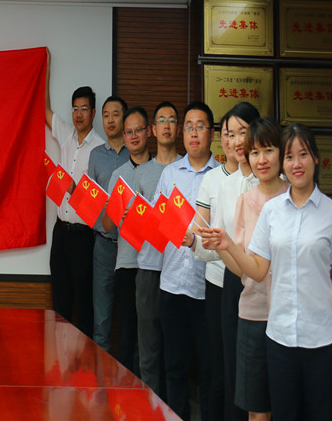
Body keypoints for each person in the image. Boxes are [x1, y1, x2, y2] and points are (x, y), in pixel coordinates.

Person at [201, 123, 332, 420]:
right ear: (284, 163)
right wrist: (227, 245)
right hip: (279, 338)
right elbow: (258, 270)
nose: (297, 163)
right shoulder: (272, 211)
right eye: (290, 157)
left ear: (316, 158)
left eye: (303, 155)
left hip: (321, 339)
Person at [205, 117, 287, 421]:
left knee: (287, 405)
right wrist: (223, 246)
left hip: (289, 314)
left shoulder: (295, 196)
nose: (261, 159)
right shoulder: (244, 201)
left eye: (268, 150)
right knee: (256, 408)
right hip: (253, 313)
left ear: (281, 152)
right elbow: (245, 270)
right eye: (255, 152)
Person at [192, 102, 260, 421]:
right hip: (230, 280)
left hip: (265, 283)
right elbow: (216, 241)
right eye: (230, 134)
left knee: (260, 371)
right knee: (229, 370)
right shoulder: (226, 183)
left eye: (242, 132)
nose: (235, 141)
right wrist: (195, 240)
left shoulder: (271, 180)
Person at [155, 101, 219, 421]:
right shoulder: (170, 174)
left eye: (200, 127)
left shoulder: (221, 177)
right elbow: (158, 221)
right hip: (171, 283)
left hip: (206, 287)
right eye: (189, 127)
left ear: (212, 133)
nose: (194, 133)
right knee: (174, 366)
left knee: (208, 368)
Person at [45, 49, 104, 336]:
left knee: (83, 301)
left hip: (83, 236)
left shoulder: (100, 148)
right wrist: (44, 69)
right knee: (60, 300)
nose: (78, 114)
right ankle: (60, 356)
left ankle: (84, 359)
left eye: (84, 109)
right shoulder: (66, 134)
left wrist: (74, 188)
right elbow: (44, 110)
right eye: (75, 109)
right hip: (60, 231)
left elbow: (99, 203)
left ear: (93, 112)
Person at [133, 101, 181, 397]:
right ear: (153, 129)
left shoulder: (187, 168)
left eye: (172, 120)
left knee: (178, 349)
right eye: (161, 120)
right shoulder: (141, 172)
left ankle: (176, 408)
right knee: (148, 347)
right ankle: (149, 407)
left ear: (178, 128)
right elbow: (132, 226)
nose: (166, 125)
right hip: (149, 268)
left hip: (180, 270)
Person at [101, 105, 151, 373]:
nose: (133, 136)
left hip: (155, 267)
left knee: (150, 339)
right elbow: (107, 225)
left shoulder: (163, 170)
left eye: (138, 130)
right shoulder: (117, 175)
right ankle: (125, 393)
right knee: (125, 337)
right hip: (126, 264)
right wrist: (117, 210)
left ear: (148, 132)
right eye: (129, 132)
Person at [88, 95, 130, 348]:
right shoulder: (95, 155)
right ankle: (99, 369)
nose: (110, 120)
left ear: (124, 118)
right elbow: (90, 201)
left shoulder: (135, 153)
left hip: (130, 246)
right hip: (103, 245)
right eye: (106, 115)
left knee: (128, 316)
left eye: (116, 114)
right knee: (101, 317)